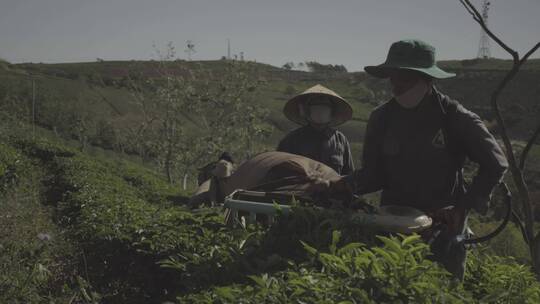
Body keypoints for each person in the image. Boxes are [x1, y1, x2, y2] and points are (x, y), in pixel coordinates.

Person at [327, 39, 508, 279]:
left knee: (442, 287)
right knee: (390, 283)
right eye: (393, 75)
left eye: (406, 76)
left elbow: (495, 164)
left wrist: (461, 208)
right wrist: (345, 184)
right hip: (394, 224)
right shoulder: (381, 118)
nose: (396, 83)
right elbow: (374, 174)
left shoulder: (455, 117)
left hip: (443, 225)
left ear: (427, 79)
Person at [277, 84, 355, 175]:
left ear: (332, 111)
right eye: (315, 106)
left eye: (325, 106)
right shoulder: (291, 140)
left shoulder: (340, 140)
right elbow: (280, 173)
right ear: (306, 110)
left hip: (333, 189)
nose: (320, 111)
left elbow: (348, 174)